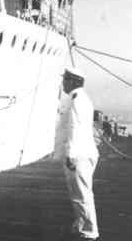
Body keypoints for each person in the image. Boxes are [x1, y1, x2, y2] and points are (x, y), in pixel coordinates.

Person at [61, 67, 99, 241]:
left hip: (79, 155)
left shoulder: (76, 100)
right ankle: (81, 225)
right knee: (81, 193)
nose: (63, 83)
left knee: (81, 195)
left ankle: (90, 232)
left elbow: (74, 127)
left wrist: (71, 154)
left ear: (72, 81)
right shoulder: (82, 98)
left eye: (65, 79)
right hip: (85, 152)